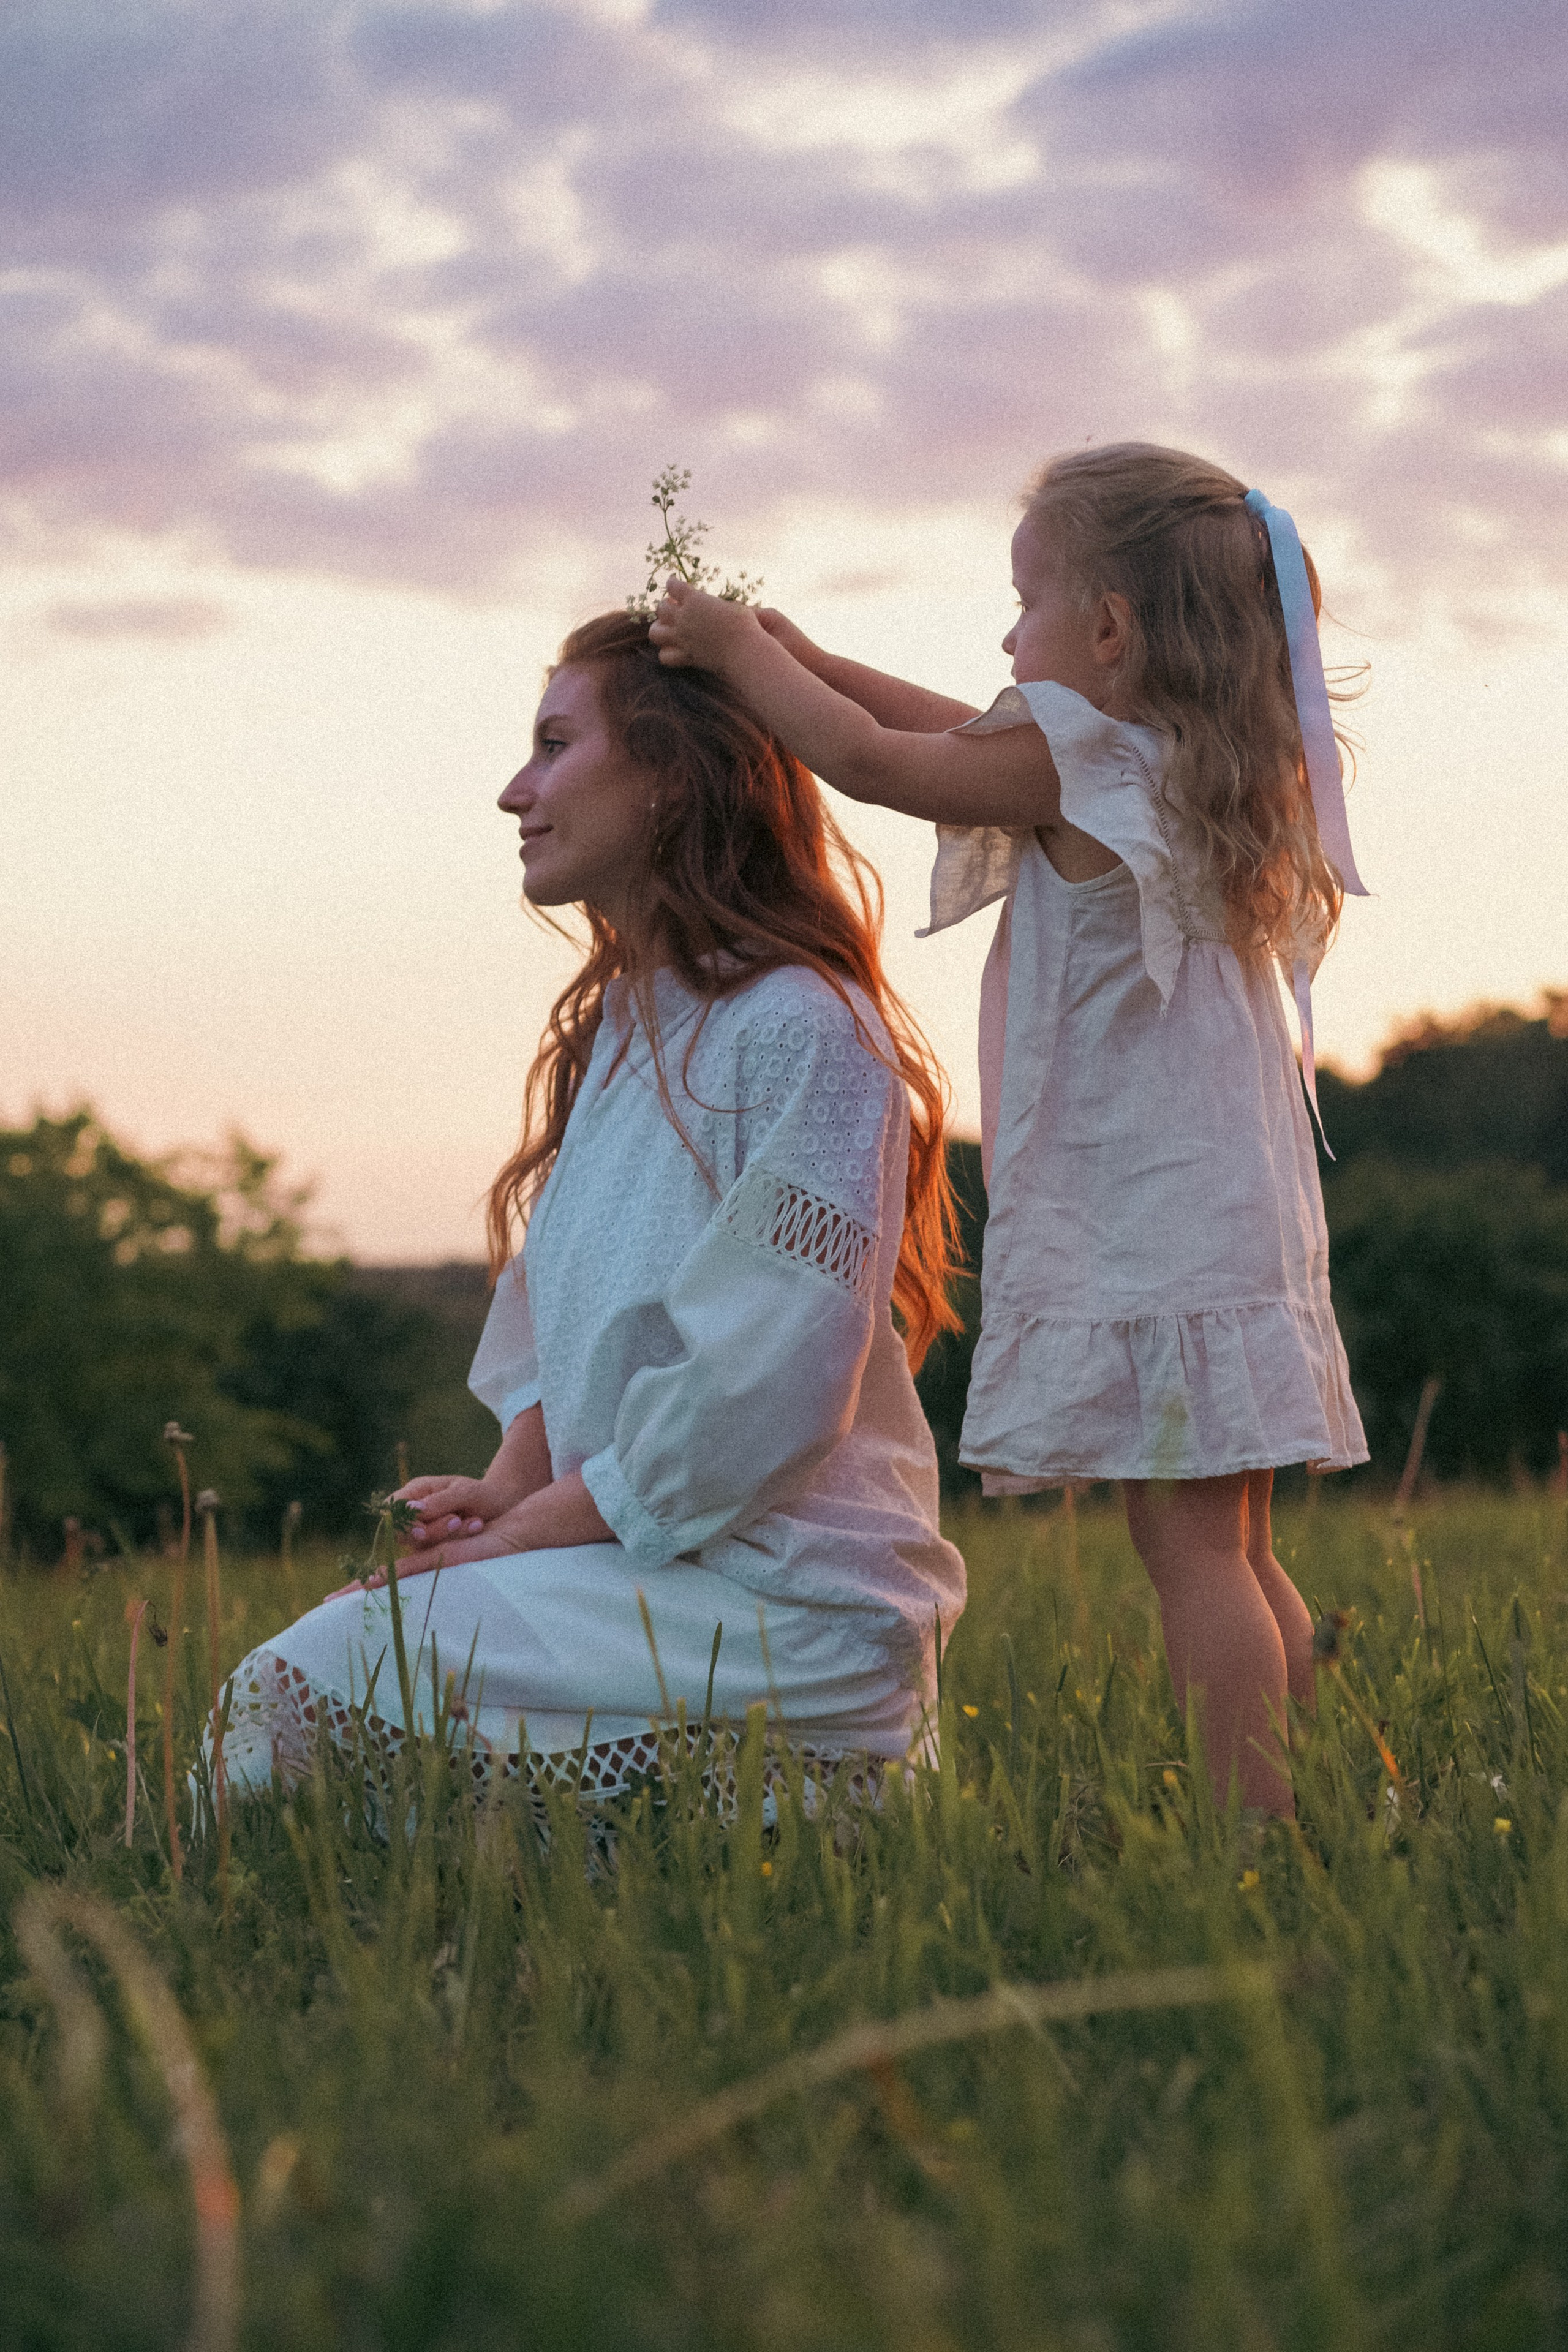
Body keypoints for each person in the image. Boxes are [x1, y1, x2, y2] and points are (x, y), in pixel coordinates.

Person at [649, 442, 1369, 1818]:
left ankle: (1250, 1845)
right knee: (1239, 1549)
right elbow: (949, 734)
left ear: (1108, 632)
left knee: (1192, 1560)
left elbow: (878, 764)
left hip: (1153, 1218)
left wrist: (742, 658)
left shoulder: (1084, 760)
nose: (1004, 630)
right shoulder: (1167, 761)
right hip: (1228, 1217)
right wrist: (802, 655)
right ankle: (1305, 1806)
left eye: (1025, 600)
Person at [217, 611, 966, 1814]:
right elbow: (565, 1337)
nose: (517, 790)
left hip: (786, 1603)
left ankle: (819, 1798)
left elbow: (765, 1388)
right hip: (640, 1568)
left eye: (556, 744)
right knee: (360, 1680)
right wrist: (511, 1485)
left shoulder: (801, 1030)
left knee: (314, 1678)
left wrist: (525, 1540)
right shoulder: (622, 1034)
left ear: (669, 778)